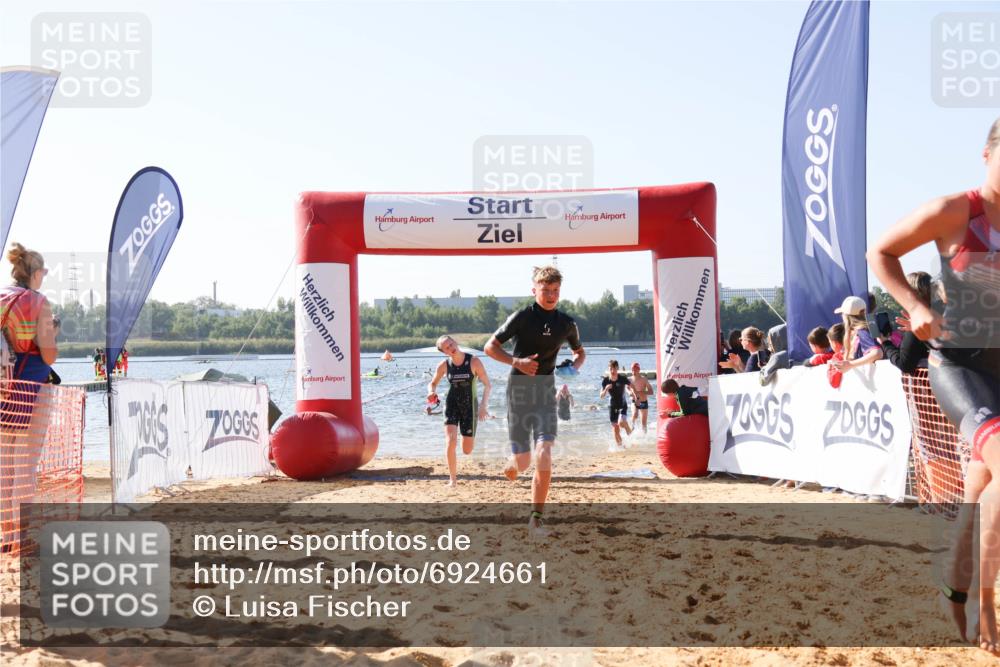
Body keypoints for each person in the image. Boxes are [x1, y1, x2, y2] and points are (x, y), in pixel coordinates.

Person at [867, 117, 1000, 654]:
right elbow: (882, 252)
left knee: (978, 494)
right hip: (960, 367)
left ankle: (953, 587)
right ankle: (987, 606)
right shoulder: (954, 211)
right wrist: (915, 306)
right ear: (987, 154)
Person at [485, 265, 585, 535]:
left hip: (545, 391)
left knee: (545, 452)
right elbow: (490, 347)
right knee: (523, 462)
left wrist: (573, 367)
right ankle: (513, 460)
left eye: (555, 290)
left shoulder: (566, 323)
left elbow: (580, 353)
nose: (551, 295)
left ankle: (536, 518)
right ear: (534, 290)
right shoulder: (522, 317)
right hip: (518, 390)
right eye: (545, 290)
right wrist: (516, 362)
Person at [0, 243, 58, 551]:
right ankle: (20, 537)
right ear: (35, 274)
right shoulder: (38, 302)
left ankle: (6, 537)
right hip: (31, 387)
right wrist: (53, 333)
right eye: (43, 272)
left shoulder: (1, 298)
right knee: (26, 465)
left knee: (5, 466)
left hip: (3, 388)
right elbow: (48, 355)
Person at [427, 335, 491, 487]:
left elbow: (488, 385)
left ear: (455, 342)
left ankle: (465, 434)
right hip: (451, 405)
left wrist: (483, 406)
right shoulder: (444, 365)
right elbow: (433, 383)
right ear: (444, 352)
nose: (451, 348)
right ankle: (453, 480)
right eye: (447, 347)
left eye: (451, 343)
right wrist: (431, 392)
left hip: (470, 407)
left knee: (467, 450)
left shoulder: (474, 361)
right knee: (450, 442)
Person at [879, 272, 932, 374]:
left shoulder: (915, 323)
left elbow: (905, 365)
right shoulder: (944, 315)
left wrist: (886, 344)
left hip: (932, 381)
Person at [829, 296, 883, 376]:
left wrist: (850, 364)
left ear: (847, 316)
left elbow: (877, 353)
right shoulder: (865, 329)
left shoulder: (862, 331)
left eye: (842, 314)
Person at [600, 360, 634, 449]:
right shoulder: (606, 380)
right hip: (612, 406)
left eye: (614, 368)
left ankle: (632, 439)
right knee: (615, 429)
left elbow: (632, 386)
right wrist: (606, 389)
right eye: (611, 368)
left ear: (617, 368)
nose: (612, 371)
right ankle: (621, 447)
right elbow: (601, 396)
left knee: (621, 423)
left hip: (622, 404)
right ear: (608, 369)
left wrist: (634, 395)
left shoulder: (622, 378)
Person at [629, 362, 653, 433]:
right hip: (635, 401)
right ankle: (630, 429)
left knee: (644, 424)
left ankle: (644, 438)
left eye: (635, 370)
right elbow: (626, 388)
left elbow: (651, 391)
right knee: (635, 414)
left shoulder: (644, 379)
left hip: (644, 402)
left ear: (639, 370)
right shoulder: (629, 379)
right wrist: (629, 392)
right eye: (632, 370)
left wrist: (639, 392)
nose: (633, 371)